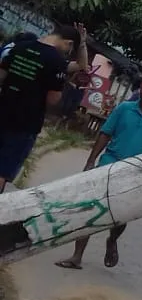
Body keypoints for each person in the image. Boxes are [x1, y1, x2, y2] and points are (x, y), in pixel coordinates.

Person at [55, 74, 142, 271]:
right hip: (108, 164)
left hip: (135, 174)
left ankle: (112, 239)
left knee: (121, 216)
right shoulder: (124, 109)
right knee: (91, 210)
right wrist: (91, 161)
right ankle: (77, 256)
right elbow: (105, 133)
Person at [0, 23, 86, 192]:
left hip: (2, 112)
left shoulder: (20, 47)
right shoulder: (57, 61)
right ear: (68, 43)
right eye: (70, 49)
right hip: (25, 124)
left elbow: (1, 77)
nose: (68, 53)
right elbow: (53, 100)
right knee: (3, 170)